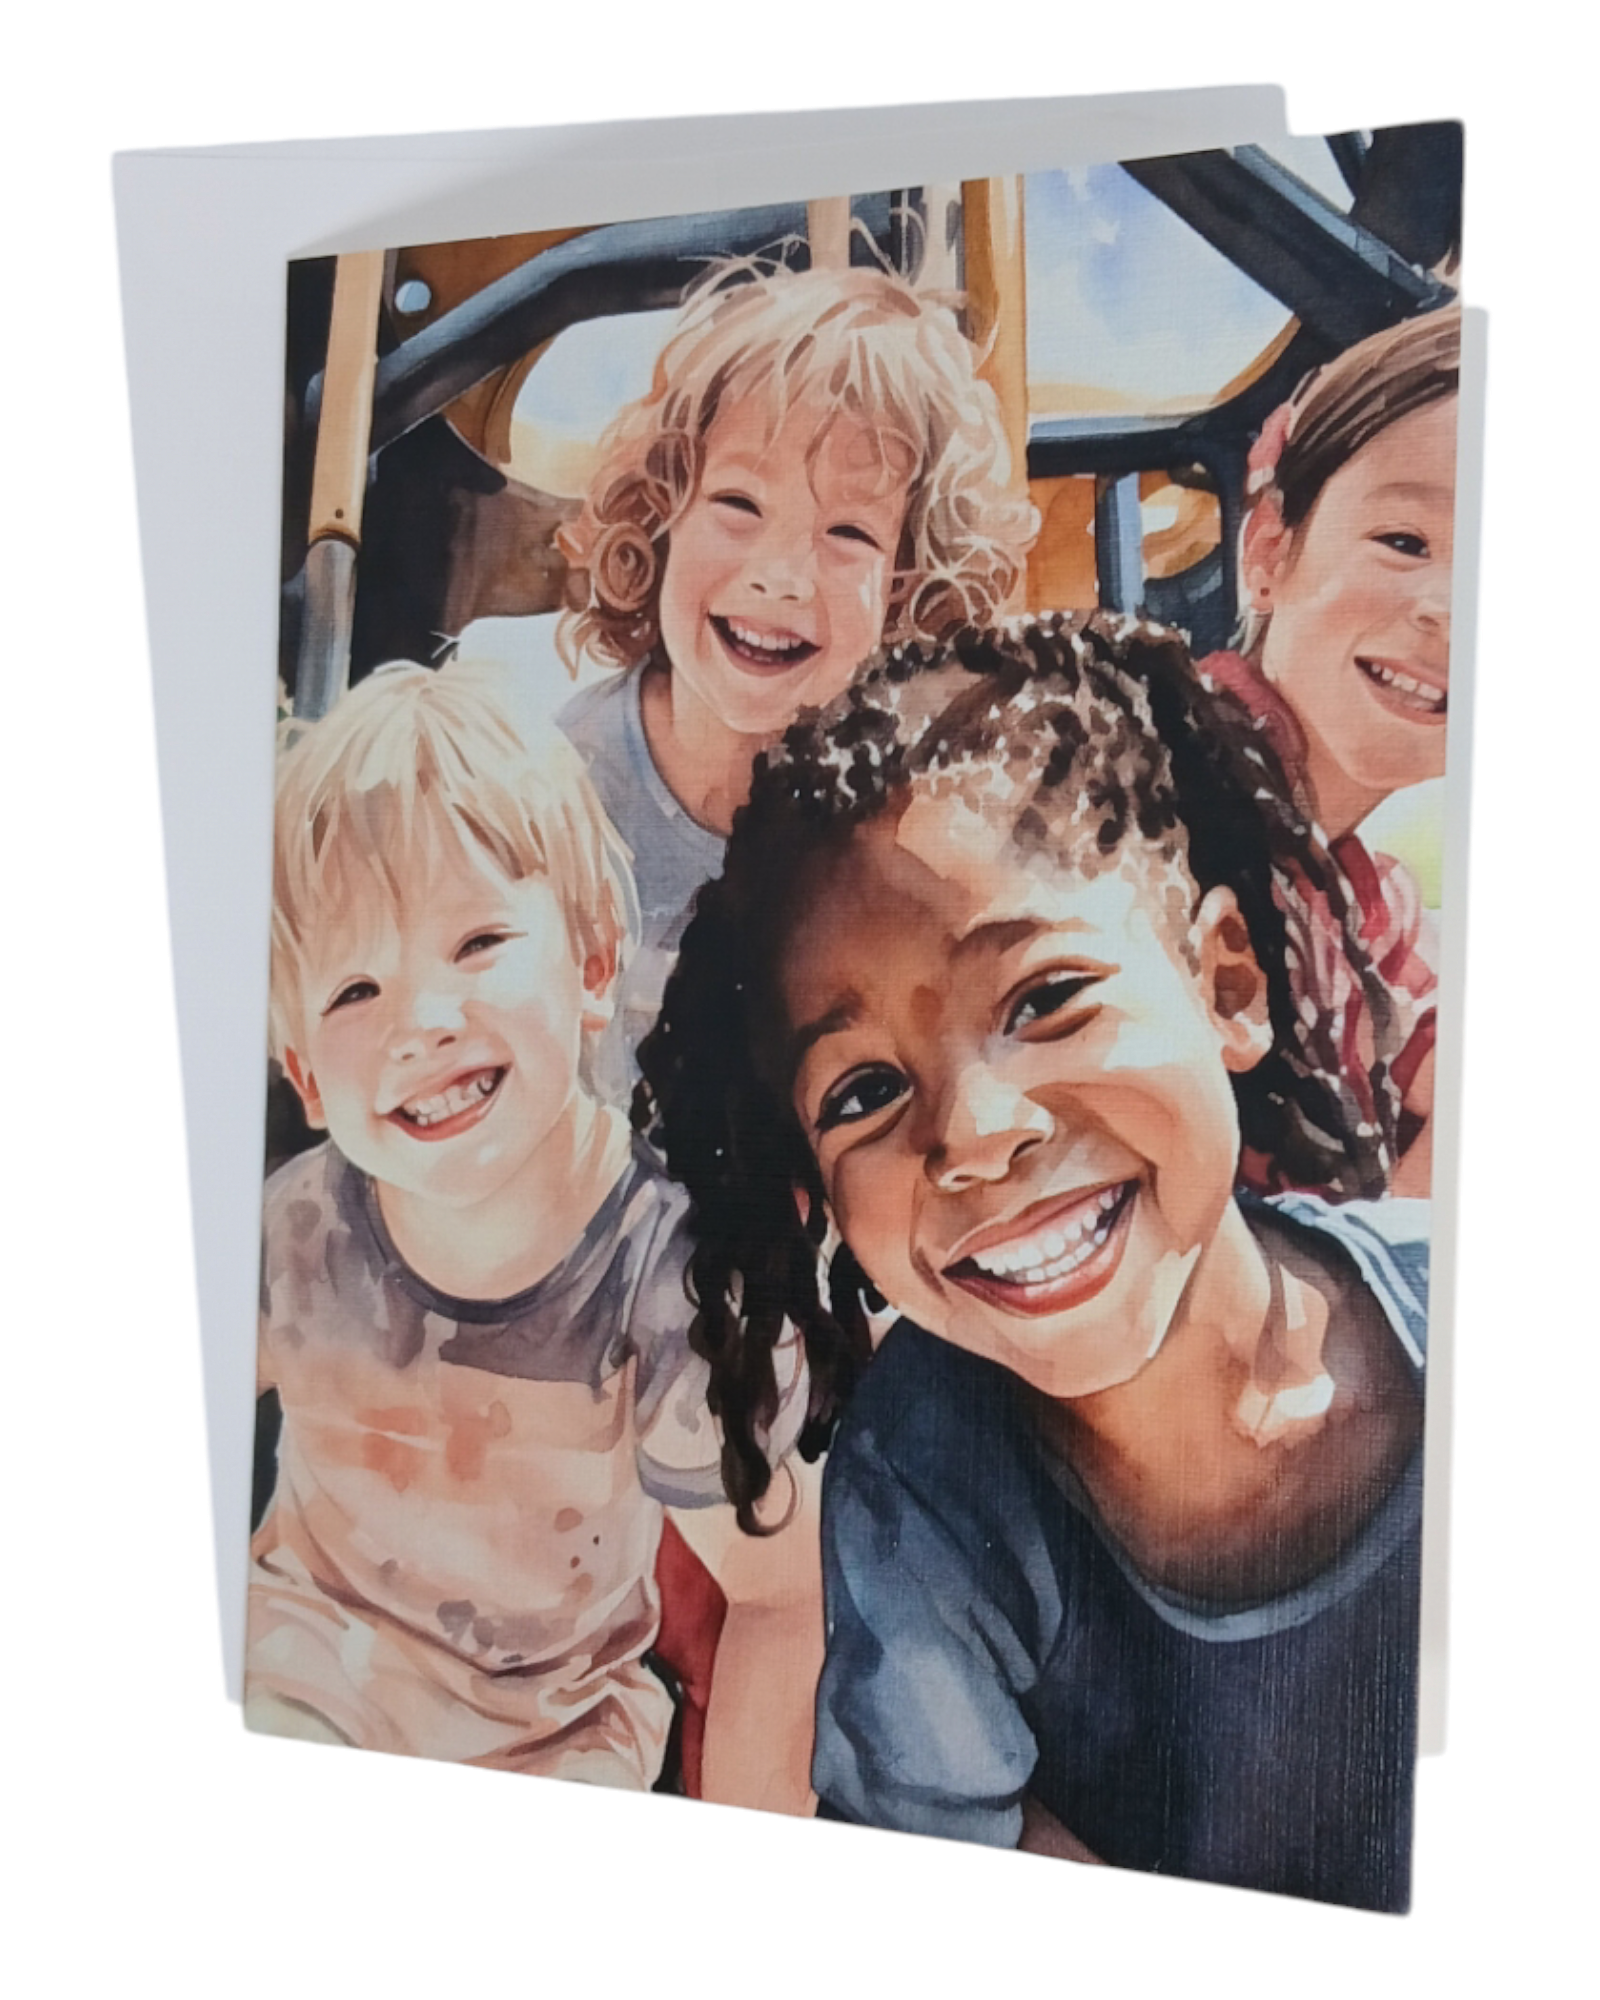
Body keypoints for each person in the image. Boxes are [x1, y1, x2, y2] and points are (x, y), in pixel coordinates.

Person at [638, 617, 1427, 1910]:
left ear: (1225, 983)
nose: (976, 1135)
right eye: (867, 1091)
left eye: (1044, 997)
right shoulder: (924, 1479)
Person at [246, 659, 820, 1809]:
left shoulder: (672, 1287)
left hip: (549, 1739)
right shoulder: (292, 1232)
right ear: (306, 1074)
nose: (421, 1022)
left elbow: (778, 1597)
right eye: (356, 990)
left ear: (595, 963)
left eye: (476, 944)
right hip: (296, 1680)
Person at [555, 257, 1036, 1066]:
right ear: (662, 515)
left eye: (849, 534)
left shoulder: (898, 822)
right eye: (738, 504)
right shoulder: (555, 792)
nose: (780, 572)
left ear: (904, 591)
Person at [1208, 305, 1459, 1195]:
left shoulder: (1367, 901)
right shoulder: (1155, 792)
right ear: (1270, 548)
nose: (1449, 608)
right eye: (1405, 542)